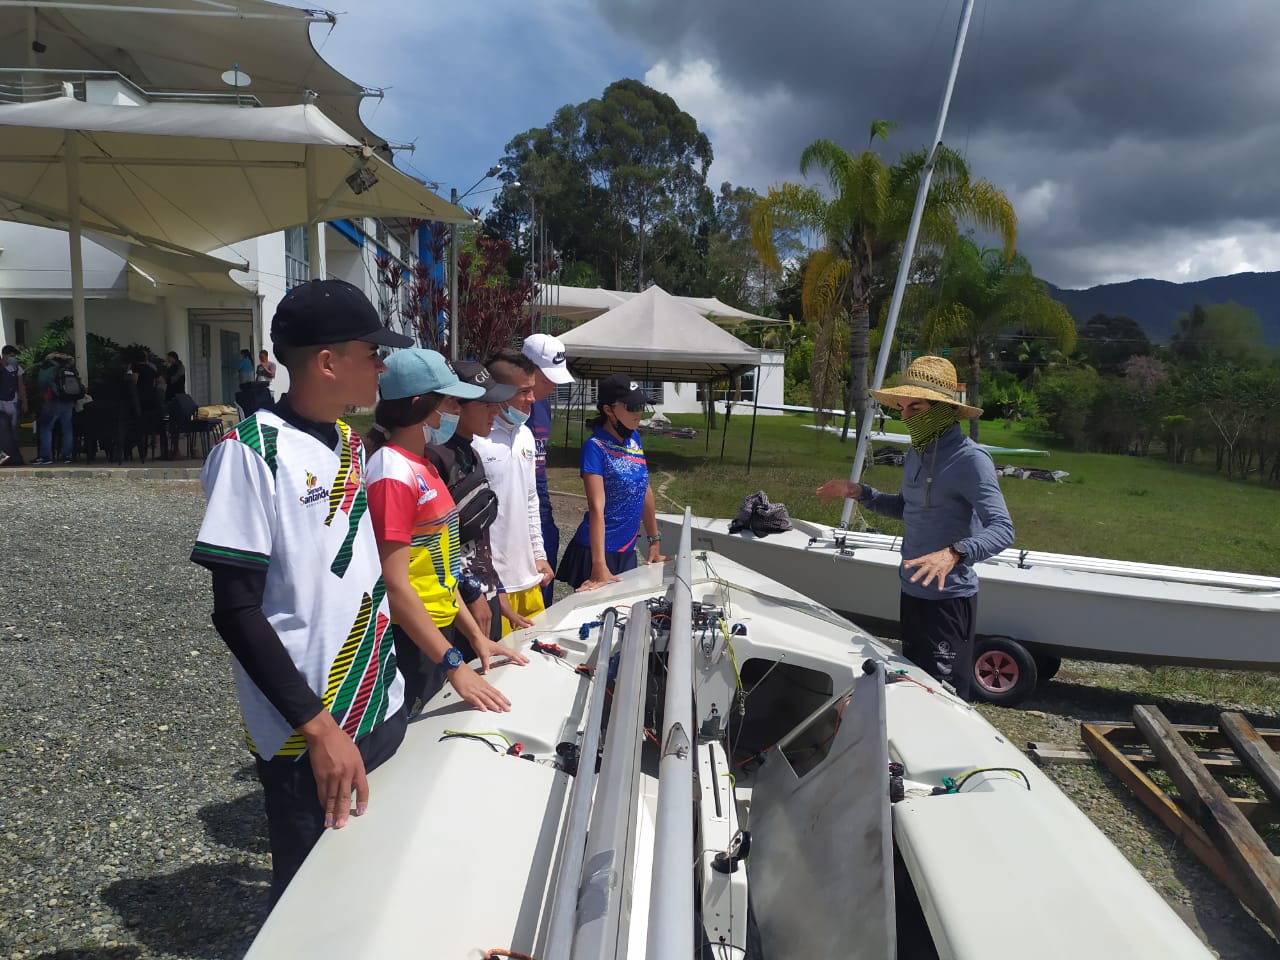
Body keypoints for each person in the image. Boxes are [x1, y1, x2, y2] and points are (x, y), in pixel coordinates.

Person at [190, 278, 414, 907]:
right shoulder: (250, 450)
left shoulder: (347, 440)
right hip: (311, 728)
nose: (381, 365)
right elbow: (234, 610)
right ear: (326, 362)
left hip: (379, 703)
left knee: (374, 878)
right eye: (372, 352)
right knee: (313, 904)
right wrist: (318, 729)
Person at [816, 355, 1014, 702]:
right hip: (912, 593)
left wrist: (955, 553)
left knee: (947, 696)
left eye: (915, 409)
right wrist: (861, 493)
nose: (904, 417)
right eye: (902, 408)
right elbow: (907, 509)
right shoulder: (916, 454)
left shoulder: (971, 460)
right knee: (914, 686)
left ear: (942, 410)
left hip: (949, 600)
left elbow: (1002, 529)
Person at [363, 348, 526, 714]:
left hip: (439, 631)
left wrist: (474, 638)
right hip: (412, 638)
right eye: (450, 403)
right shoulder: (391, 473)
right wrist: (451, 662)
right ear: (421, 405)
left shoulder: (425, 466)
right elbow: (394, 584)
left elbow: (443, 570)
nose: (453, 411)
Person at [426, 361, 533, 642]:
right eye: (486, 404)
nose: (496, 411)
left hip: (486, 596)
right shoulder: (434, 457)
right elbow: (435, 545)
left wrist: (497, 591)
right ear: (456, 406)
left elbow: (481, 537)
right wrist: (471, 593)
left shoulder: (470, 452)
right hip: (459, 606)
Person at [557, 374, 666, 591]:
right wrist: (599, 566)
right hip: (597, 553)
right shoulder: (595, 448)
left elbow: (643, 488)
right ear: (608, 410)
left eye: (642, 405)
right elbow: (596, 508)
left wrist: (654, 541)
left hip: (626, 550)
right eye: (632, 406)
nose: (639, 412)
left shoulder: (634, 438)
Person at [473, 349, 555, 634]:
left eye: (532, 390)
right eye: (524, 391)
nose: (532, 399)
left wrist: (539, 553)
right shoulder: (476, 440)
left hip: (528, 577)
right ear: (497, 391)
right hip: (493, 585)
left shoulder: (525, 435)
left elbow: (530, 499)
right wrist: (488, 581)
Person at [521, 333, 574, 606]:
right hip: (514, 516)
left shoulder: (542, 404)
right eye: (546, 379)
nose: (552, 386)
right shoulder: (510, 408)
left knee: (544, 595)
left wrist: (546, 516)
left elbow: (539, 467)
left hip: (539, 508)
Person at [32, 351, 78, 465]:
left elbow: (42, 383)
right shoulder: (69, 367)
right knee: (67, 428)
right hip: (68, 401)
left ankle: (45, 456)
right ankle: (67, 456)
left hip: (52, 401)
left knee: (46, 428)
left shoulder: (47, 366)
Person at [0, 345, 27, 441]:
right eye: (10, 356)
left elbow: (21, 386)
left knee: (12, 426)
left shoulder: (16, 368)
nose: (12, 358)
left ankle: (12, 450)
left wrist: (24, 401)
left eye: (13, 356)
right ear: (3, 355)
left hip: (12, 400)